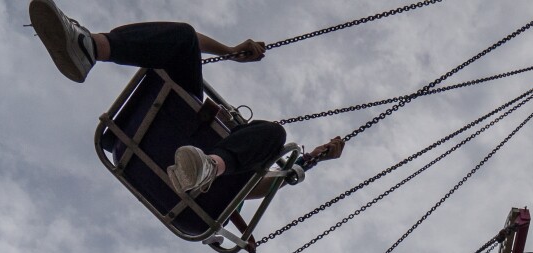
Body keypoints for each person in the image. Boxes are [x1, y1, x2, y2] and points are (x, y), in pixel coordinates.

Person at [27, 1, 344, 198]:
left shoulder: (242, 167)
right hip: (163, 133)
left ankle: (207, 169)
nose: (225, 119)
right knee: (182, 37)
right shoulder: (208, 127)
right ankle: (89, 48)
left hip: (186, 177)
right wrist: (230, 51)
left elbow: (258, 188)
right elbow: (189, 43)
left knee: (274, 133)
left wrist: (307, 162)